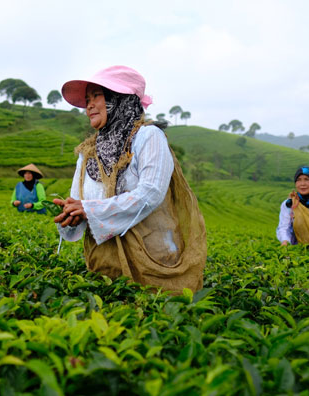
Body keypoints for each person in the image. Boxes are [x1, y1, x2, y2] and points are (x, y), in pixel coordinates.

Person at [53, 65, 207, 294]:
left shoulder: (148, 137)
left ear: (120, 99)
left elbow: (150, 192)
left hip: (152, 259)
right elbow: (79, 201)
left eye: (97, 96)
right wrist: (71, 216)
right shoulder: (87, 153)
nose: (89, 106)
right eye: (87, 99)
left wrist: (89, 209)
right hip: (104, 264)